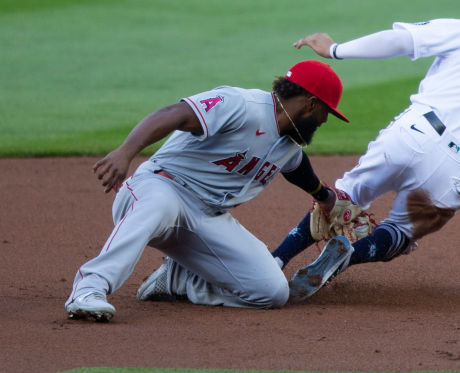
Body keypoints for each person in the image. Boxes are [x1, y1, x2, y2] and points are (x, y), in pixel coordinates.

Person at [272, 0, 460, 302]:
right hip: (455, 173)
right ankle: (347, 256)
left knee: (340, 199)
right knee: (399, 233)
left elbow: (401, 40)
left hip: (413, 134)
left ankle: (276, 261)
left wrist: (335, 49)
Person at [65, 60, 347, 321]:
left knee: (272, 291)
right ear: (311, 103)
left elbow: (297, 168)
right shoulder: (241, 104)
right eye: (326, 112)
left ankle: (181, 281)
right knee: (159, 204)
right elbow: (174, 114)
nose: (324, 121)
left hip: (206, 218)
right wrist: (125, 152)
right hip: (162, 186)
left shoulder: (289, 142)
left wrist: (324, 196)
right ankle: (88, 289)